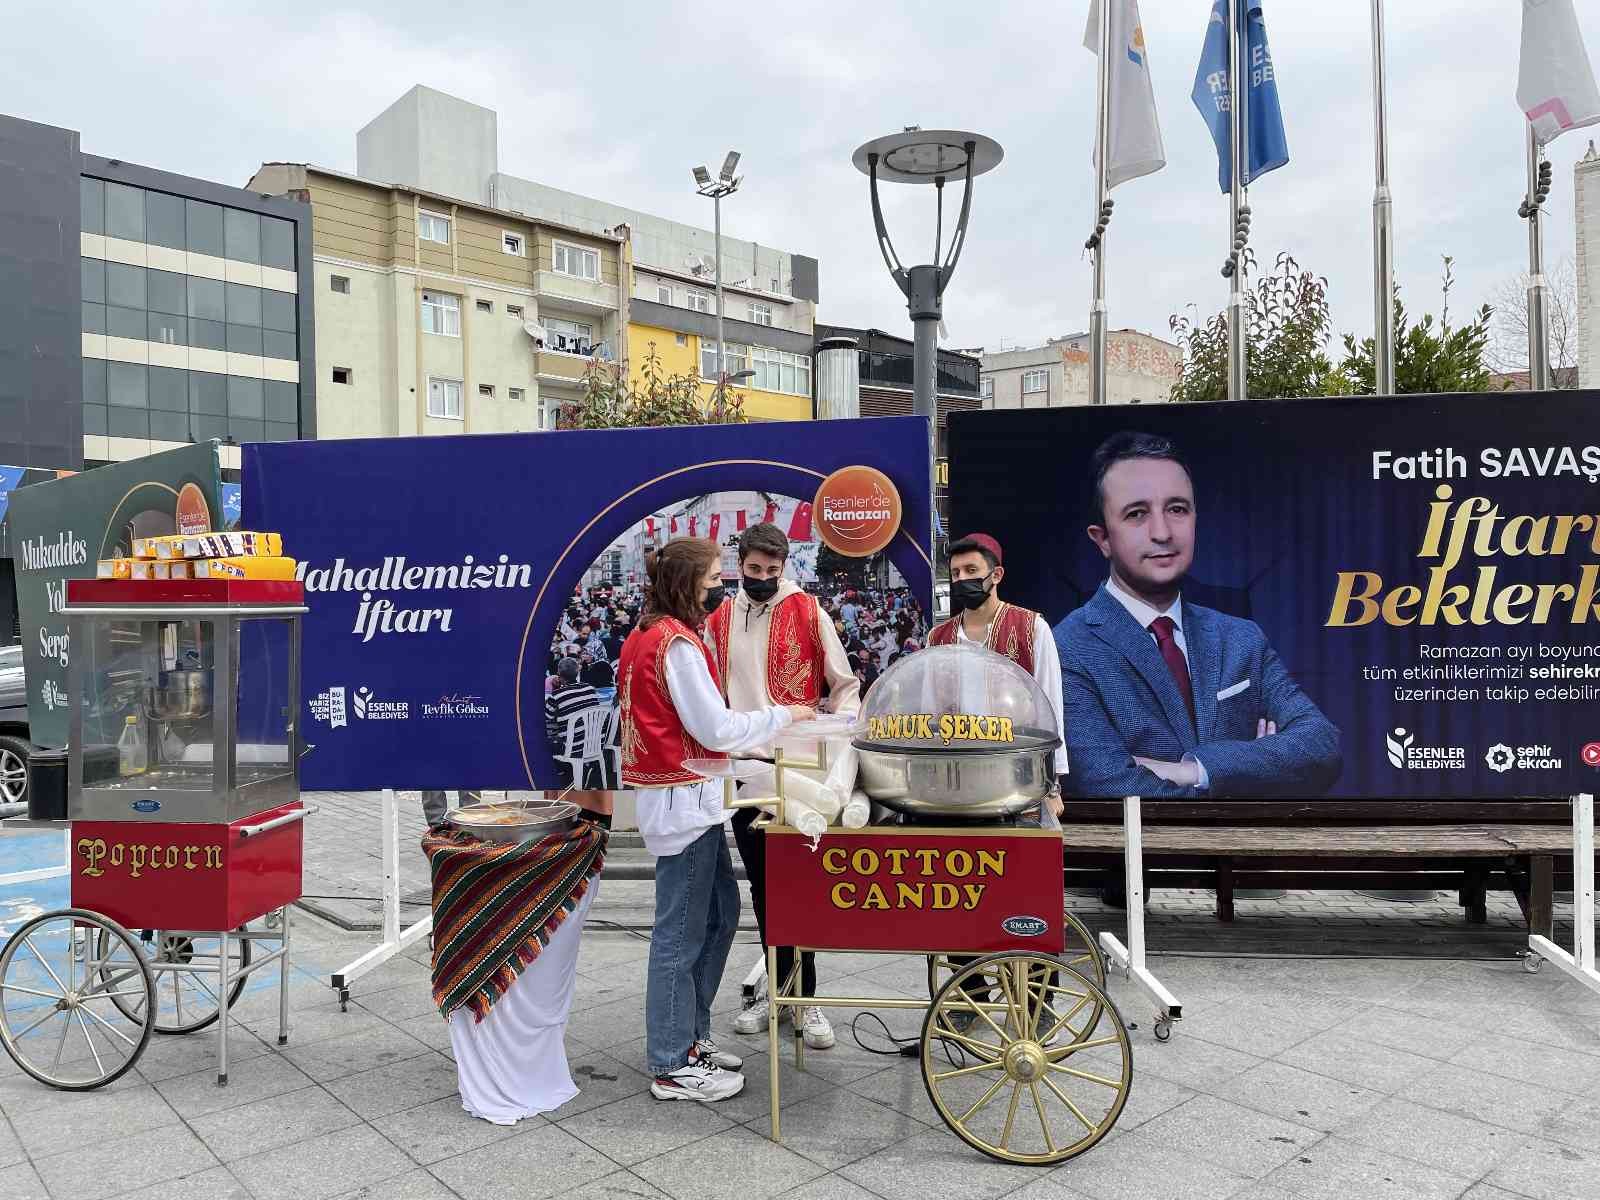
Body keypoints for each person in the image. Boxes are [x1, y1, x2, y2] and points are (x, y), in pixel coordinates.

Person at [619, 537, 814, 1103]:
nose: (719, 585)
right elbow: (714, 728)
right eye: (710, 577)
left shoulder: (650, 635)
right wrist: (784, 717)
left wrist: (744, 757)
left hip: (694, 799)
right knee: (680, 935)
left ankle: (691, 1037)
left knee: (720, 917)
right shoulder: (673, 644)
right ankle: (672, 1062)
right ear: (686, 582)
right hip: (684, 806)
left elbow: (689, 732)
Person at [1055, 431, 1342, 799]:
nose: (1162, 533)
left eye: (1177, 509)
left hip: (1247, 855)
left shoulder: (1241, 638)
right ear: (1102, 539)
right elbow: (1106, 783)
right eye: (1137, 514)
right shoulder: (1068, 649)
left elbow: (1321, 746)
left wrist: (1195, 769)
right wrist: (1257, 769)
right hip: (1143, 856)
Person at [703, 523, 859, 1050]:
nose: (764, 579)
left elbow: (844, 685)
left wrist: (839, 734)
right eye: (755, 571)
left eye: (773, 571)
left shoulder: (809, 611)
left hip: (802, 776)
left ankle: (807, 1000)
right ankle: (775, 992)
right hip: (746, 770)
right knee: (765, 888)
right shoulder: (719, 617)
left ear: (784, 566)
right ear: (739, 564)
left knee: (803, 885)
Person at [928, 533, 1067, 818]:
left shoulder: (1032, 629)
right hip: (955, 776)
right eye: (955, 573)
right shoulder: (937, 638)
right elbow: (929, 713)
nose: (961, 579)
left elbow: (1052, 708)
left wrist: (1052, 786)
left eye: (971, 571)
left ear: (996, 575)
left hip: (1016, 775)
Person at [546, 658, 602, 786]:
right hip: (594, 743)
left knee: (544, 742)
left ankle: (562, 775)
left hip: (572, 748)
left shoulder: (557, 695)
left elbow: (547, 716)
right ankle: (577, 771)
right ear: (577, 672)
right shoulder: (589, 688)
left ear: (559, 675)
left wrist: (556, 690)